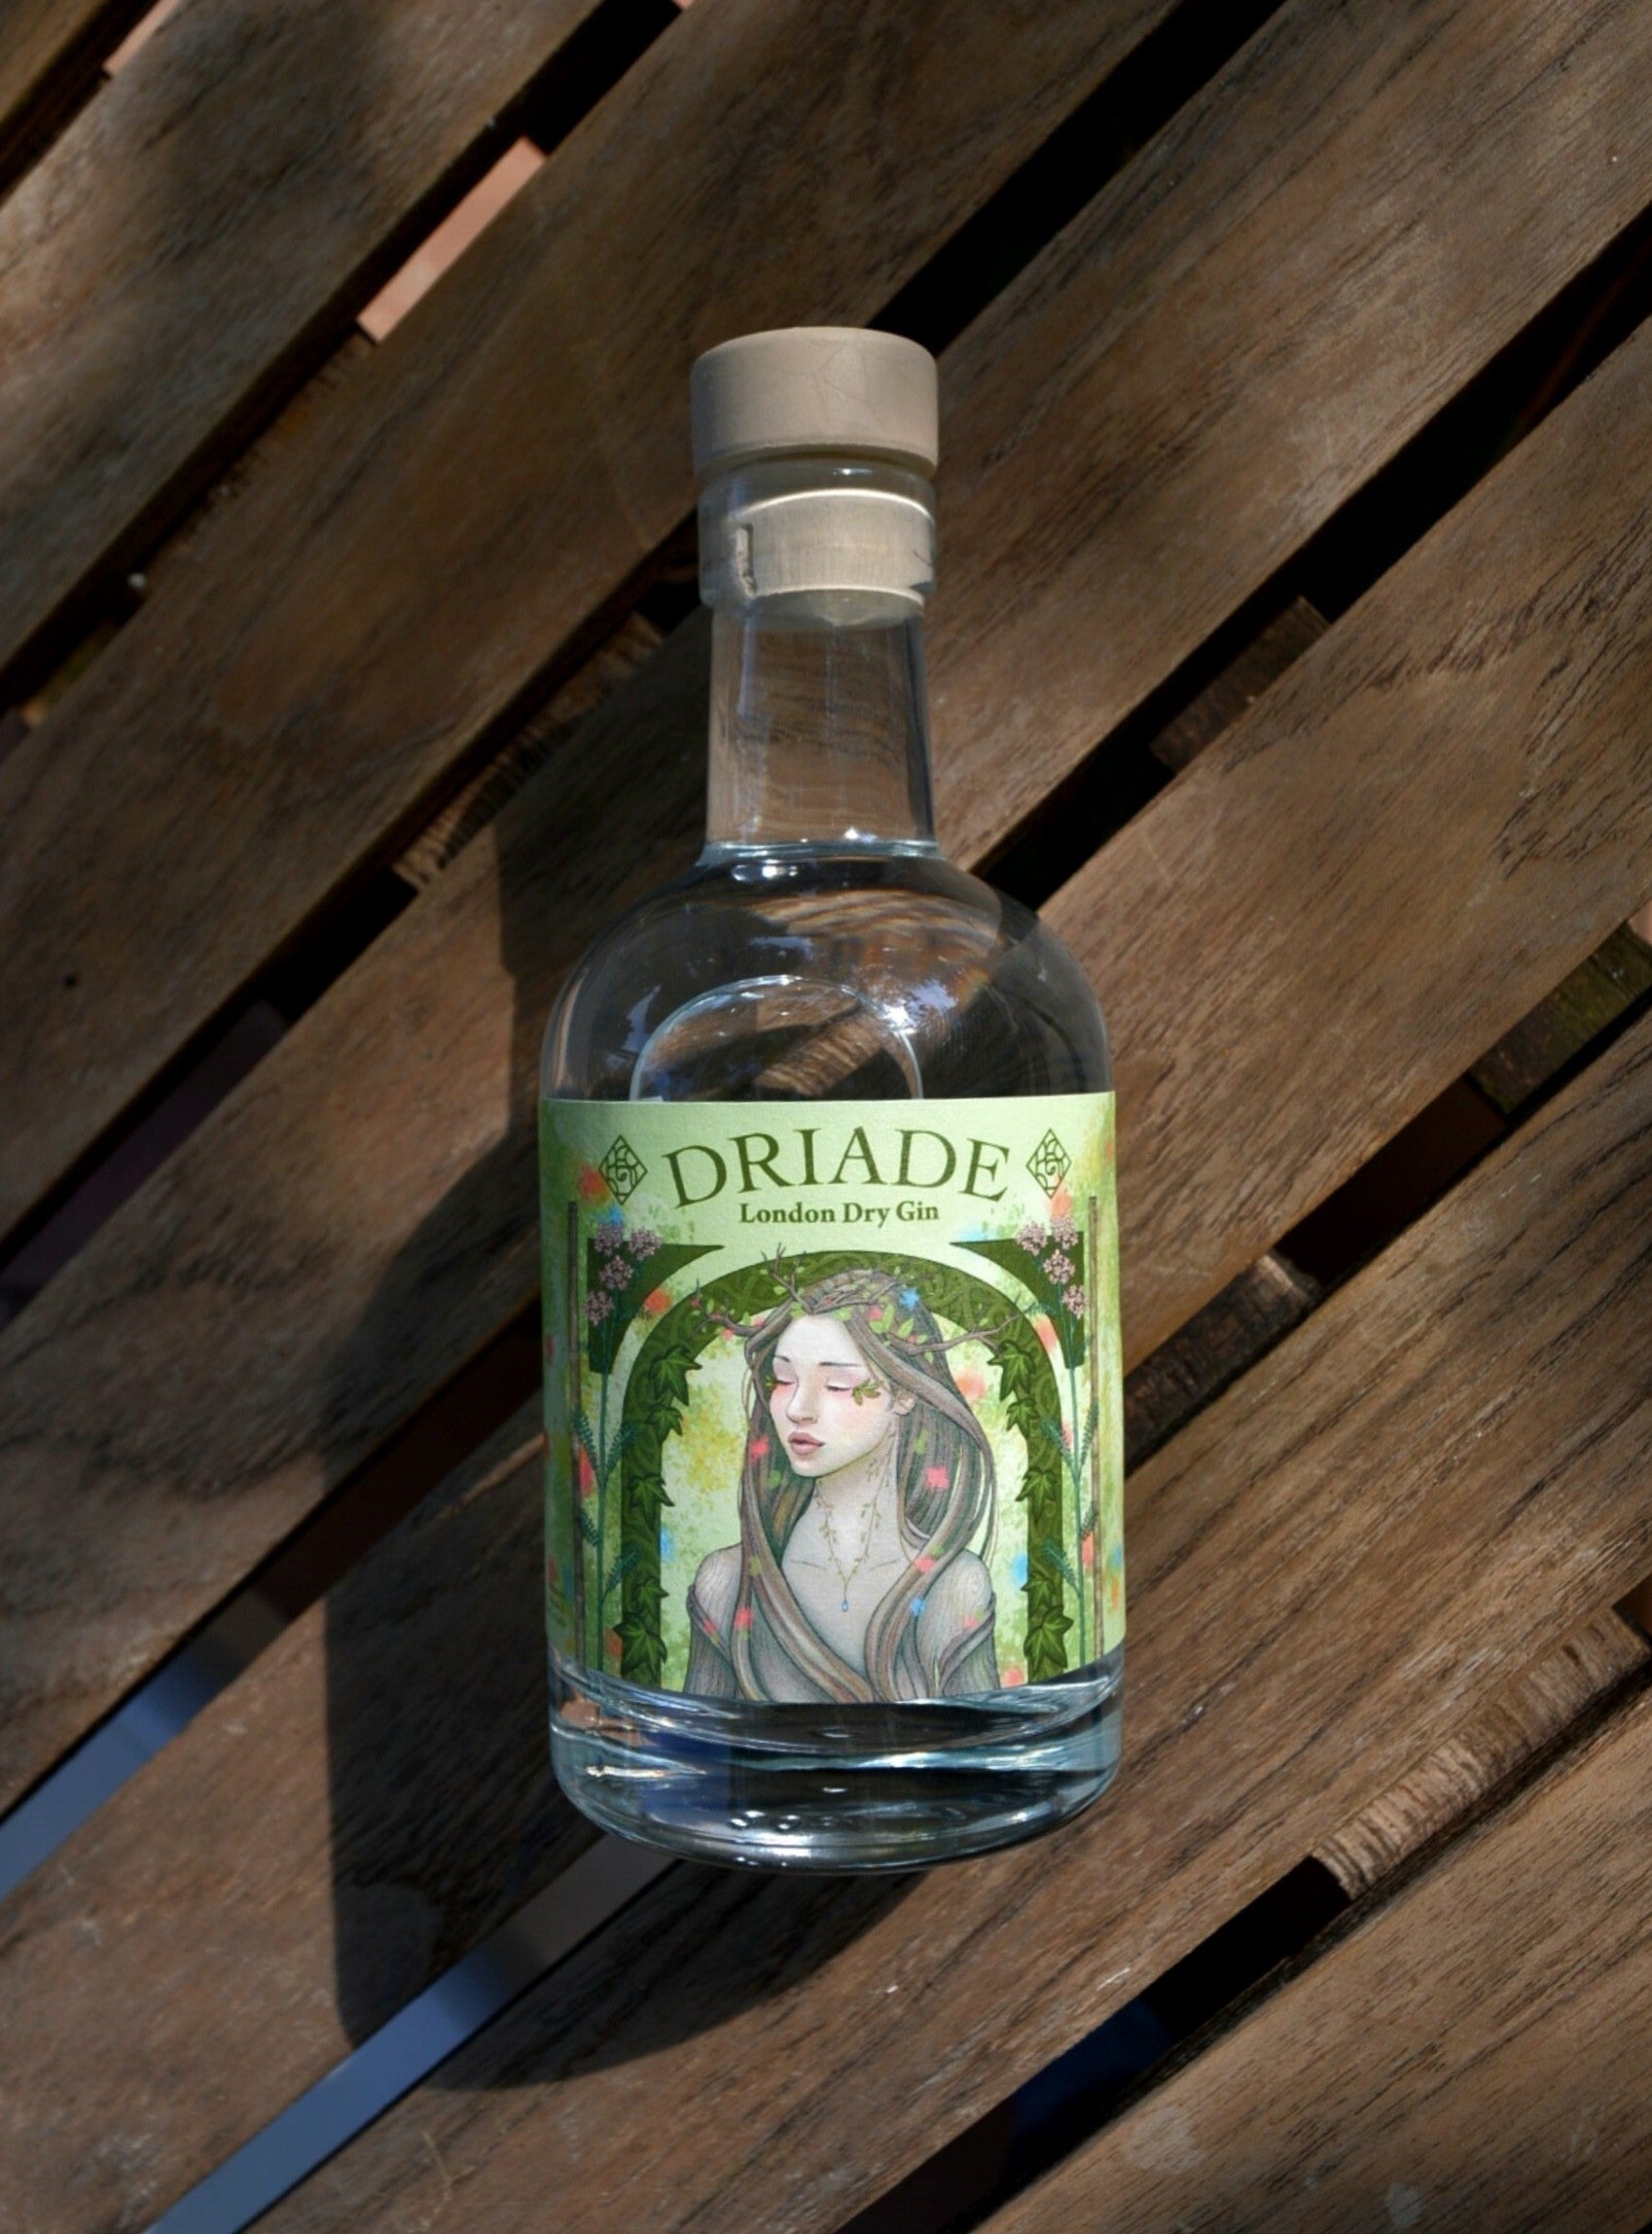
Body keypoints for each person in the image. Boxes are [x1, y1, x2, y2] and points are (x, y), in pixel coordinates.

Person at [686, 1267, 999, 1701]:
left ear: (904, 1393)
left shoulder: (954, 1586)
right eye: (783, 1379)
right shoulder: (727, 1582)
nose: (798, 1408)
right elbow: (694, 1734)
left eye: (837, 1385)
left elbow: (986, 1735)